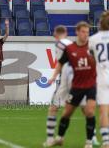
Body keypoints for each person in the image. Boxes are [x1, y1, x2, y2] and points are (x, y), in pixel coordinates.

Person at [43, 26, 99, 147]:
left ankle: (50, 139)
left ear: (56, 33)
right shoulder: (71, 43)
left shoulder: (60, 44)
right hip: (81, 78)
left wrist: (53, 77)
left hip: (68, 78)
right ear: (67, 33)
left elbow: (61, 63)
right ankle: (93, 138)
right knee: (86, 110)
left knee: (54, 108)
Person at [89, 11, 109, 148]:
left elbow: (90, 60)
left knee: (103, 111)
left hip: (102, 77)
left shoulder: (93, 39)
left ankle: (106, 142)